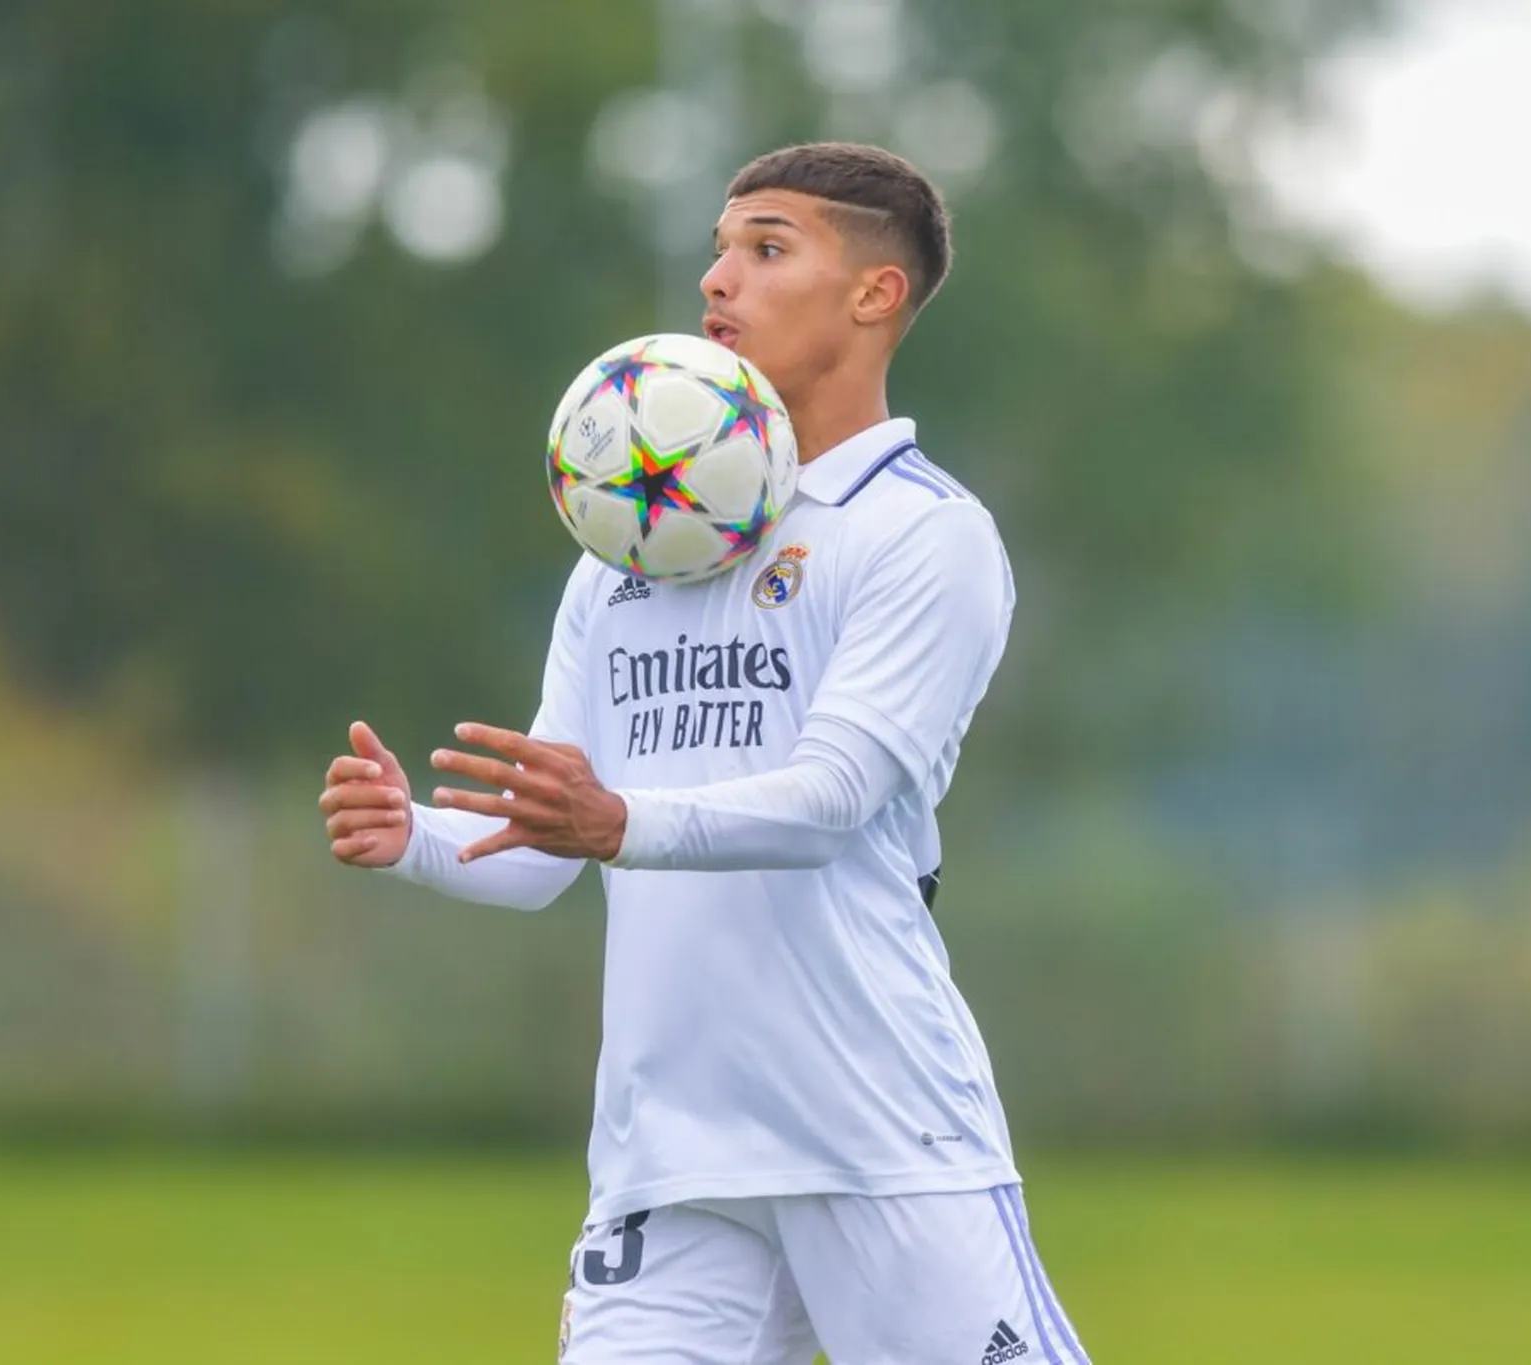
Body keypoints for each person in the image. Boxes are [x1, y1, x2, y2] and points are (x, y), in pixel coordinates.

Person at [317, 142, 1091, 1365]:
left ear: (875, 293)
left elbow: (830, 800)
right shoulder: (623, 554)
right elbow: (543, 853)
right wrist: (413, 834)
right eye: (719, 249)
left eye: (766, 249)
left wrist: (618, 822)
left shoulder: (919, 533)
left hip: (875, 1138)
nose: (716, 280)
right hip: (667, 1160)